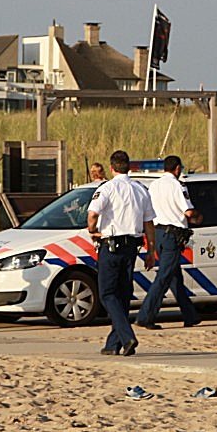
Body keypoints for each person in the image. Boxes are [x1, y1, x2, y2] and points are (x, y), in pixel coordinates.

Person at [87, 150, 156, 357]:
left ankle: (127, 337)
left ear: (111, 168)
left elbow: (92, 215)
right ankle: (113, 344)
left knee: (107, 293)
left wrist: (92, 230)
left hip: (111, 245)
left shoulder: (107, 188)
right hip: (131, 247)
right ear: (129, 166)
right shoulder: (141, 189)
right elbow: (149, 223)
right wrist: (151, 250)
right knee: (123, 295)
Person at [136, 155, 203, 330]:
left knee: (174, 277)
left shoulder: (154, 185)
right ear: (178, 168)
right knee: (164, 277)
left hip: (158, 233)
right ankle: (146, 316)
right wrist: (199, 217)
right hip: (172, 235)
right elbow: (188, 212)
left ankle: (190, 315)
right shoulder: (177, 185)